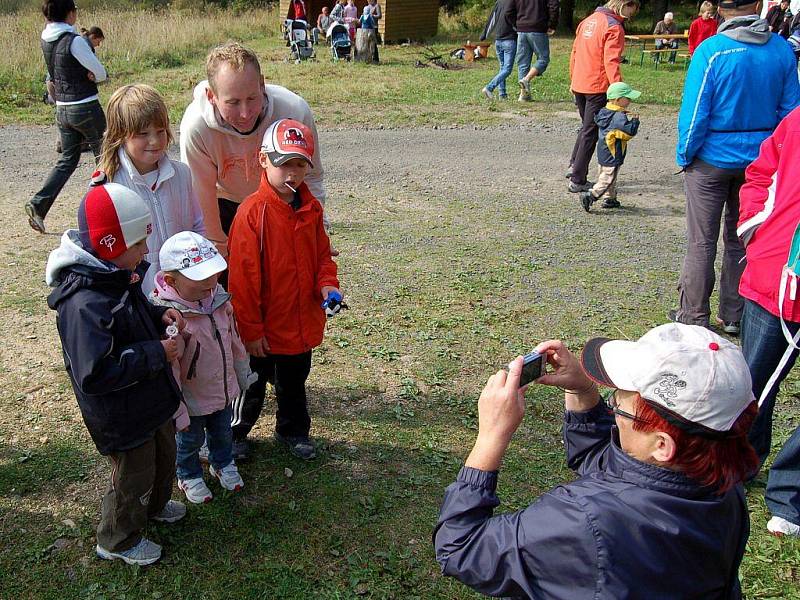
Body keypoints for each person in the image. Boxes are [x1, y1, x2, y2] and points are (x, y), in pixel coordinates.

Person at [433, 323, 758, 598]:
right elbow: (613, 468)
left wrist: (491, 436)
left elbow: (460, 547)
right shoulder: (722, 484)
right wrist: (584, 392)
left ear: (662, 445)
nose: (613, 404)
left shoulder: (586, 522)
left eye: (618, 405)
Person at [45, 182, 187, 566]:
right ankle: (118, 538)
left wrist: (160, 315)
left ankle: (154, 507)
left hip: (149, 397)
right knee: (134, 475)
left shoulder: (117, 275)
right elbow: (95, 373)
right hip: (121, 414)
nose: (145, 252)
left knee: (163, 455)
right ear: (109, 245)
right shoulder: (84, 303)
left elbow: (136, 308)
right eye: (138, 245)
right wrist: (156, 351)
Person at [671, 0, 800, 334]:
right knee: (742, 237)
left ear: (719, 8)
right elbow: (791, 113)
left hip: (712, 159)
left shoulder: (712, 50)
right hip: (760, 160)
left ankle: (693, 316)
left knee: (701, 241)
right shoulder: (781, 51)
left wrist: (685, 155)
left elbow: (695, 110)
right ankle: (735, 313)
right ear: (757, 4)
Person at [227, 119, 340, 462]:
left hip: (300, 321)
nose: (292, 173)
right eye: (284, 163)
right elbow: (242, 282)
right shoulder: (251, 214)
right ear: (264, 160)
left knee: (294, 382)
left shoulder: (311, 208)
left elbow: (323, 255)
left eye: (300, 164)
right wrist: (251, 331)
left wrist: (328, 287)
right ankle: (234, 433)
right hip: (263, 328)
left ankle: (292, 430)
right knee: (252, 384)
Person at [179, 42, 328, 268]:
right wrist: (217, 246)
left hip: (279, 200)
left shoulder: (294, 110)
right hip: (225, 204)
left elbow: (312, 176)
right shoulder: (196, 127)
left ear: (262, 84)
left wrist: (316, 232)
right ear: (211, 96)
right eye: (232, 102)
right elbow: (200, 195)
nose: (245, 113)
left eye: (251, 98)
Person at [150, 231, 255, 504]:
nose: (211, 286)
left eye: (214, 278)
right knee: (189, 439)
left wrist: (242, 370)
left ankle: (222, 462)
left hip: (221, 389)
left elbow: (232, 337)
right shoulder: (169, 316)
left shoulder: (218, 299)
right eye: (201, 283)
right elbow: (171, 365)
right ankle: (188, 473)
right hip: (192, 396)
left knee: (223, 431)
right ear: (172, 281)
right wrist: (177, 406)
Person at [737, 105, 800, 536]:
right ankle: (738, 466)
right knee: (750, 386)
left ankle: (791, 494)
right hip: (775, 277)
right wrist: (757, 225)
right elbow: (763, 170)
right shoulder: (796, 121)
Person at [101, 84, 205, 295]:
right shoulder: (109, 186)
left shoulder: (182, 174)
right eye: (142, 133)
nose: (155, 141)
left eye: (160, 131)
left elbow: (198, 227)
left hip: (182, 295)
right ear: (120, 134)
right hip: (139, 295)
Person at [26, 0, 107, 234]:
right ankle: (104, 212)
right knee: (105, 156)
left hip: (62, 108)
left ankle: (38, 205)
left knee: (67, 161)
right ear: (70, 14)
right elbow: (100, 73)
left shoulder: (46, 39)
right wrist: (93, 75)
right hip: (85, 106)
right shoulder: (75, 42)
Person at [567, 0, 639, 194]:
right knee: (591, 132)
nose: (630, 16)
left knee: (586, 127)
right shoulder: (614, 27)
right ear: (623, 5)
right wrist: (618, 91)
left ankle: (574, 165)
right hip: (597, 85)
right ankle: (577, 179)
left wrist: (573, 78)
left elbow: (574, 52)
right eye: (630, 11)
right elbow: (611, 60)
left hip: (580, 82)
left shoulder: (588, 21)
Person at [580, 82, 641, 212]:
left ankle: (610, 198)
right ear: (618, 100)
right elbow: (628, 133)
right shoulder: (618, 116)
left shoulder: (604, 111)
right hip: (613, 153)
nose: (630, 101)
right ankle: (591, 195)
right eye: (628, 98)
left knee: (608, 175)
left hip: (603, 152)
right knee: (607, 178)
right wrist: (635, 121)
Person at [514, 0, 559, 102]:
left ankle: (524, 95)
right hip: (537, 26)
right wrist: (552, 25)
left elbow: (510, 8)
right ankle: (526, 79)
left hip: (521, 27)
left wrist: (516, 23)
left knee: (522, 63)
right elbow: (554, 6)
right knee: (543, 59)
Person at [480, 0, 517, 100]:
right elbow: (514, 18)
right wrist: (517, 28)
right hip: (509, 40)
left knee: (502, 68)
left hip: (498, 41)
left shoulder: (499, 2)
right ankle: (489, 88)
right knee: (507, 70)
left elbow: (492, 19)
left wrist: (484, 35)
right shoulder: (515, 2)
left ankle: (502, 94)